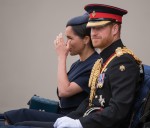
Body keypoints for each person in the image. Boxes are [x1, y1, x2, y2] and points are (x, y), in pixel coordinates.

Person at [14, 3, 144, 128]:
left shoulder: (123, 61)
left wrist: (80, 124)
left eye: (99, 27)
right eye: (92, 28)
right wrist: (71, 118)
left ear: (115, 29)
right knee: (20, 124)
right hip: (89, 121)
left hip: (97, 125)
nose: (93, 33)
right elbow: (90, 100)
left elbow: (118, 111)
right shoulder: (103, 61)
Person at [1, 13, 100, 125]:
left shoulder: (95, 64)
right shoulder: (78, 64)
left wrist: (61, 57)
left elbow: (64, 91)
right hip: (63, 113)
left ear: (86, 40)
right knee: (17, 115)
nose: (66, 43)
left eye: (70, 38)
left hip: (72, 120)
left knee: (22, 122)